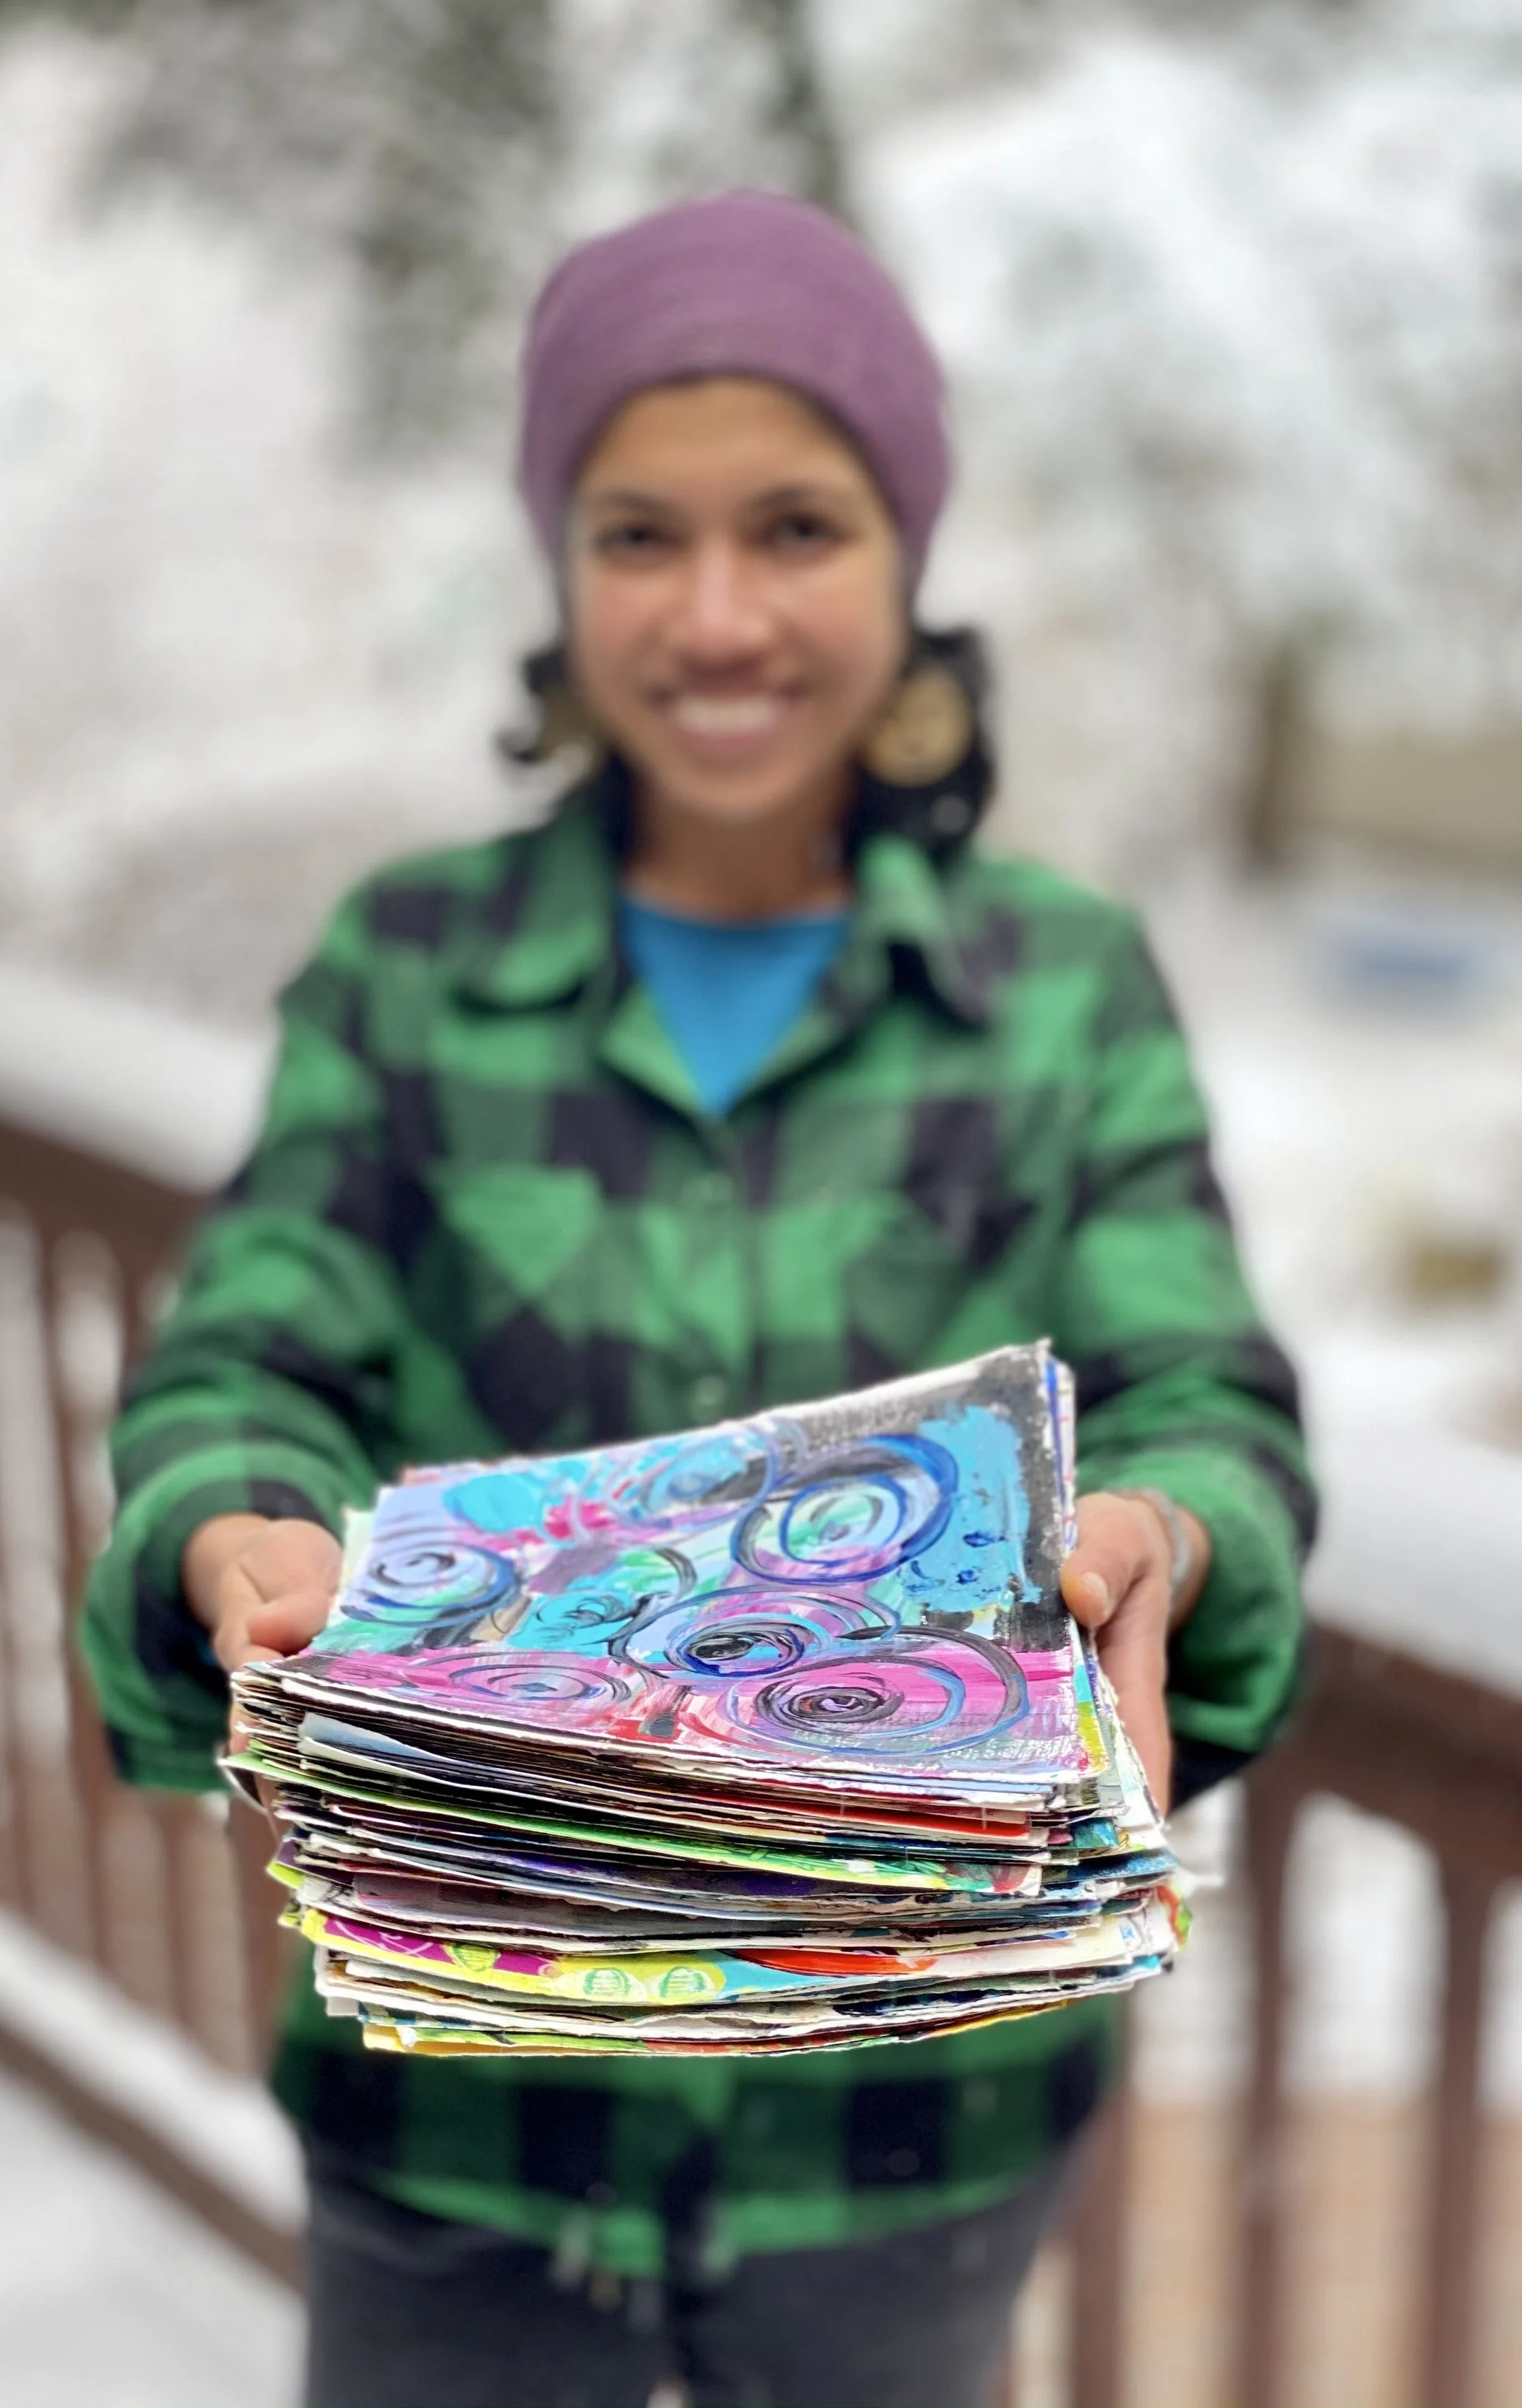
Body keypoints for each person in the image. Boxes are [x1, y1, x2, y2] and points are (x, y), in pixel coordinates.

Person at [81, 190, 1315, 2408]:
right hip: (463, 2092)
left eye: (798, 527)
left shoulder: (1055, 989)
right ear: (559, 566)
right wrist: (232, 1525)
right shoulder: (407, 967)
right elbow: (252, 1338)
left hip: (899, 2118)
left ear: (904, 556)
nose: (718, 611)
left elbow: (1195, 1373)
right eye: (640, 533)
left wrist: (1160, 1531)